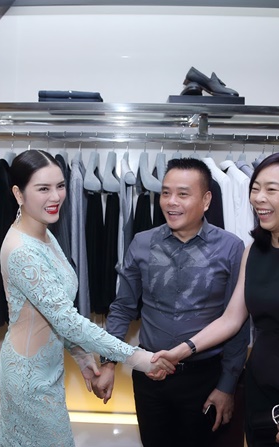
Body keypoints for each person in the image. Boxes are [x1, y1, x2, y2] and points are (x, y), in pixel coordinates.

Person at [153, 152, 279, 447]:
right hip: (262, 384)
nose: (259, 198)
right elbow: (231, 319)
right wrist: (180, 352)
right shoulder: (253, 251)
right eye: (256, 188)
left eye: (271, 189)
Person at [0, 149, 174, 447]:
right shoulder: (23, 251)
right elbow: (67, 320)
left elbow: (55, 312)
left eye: (60, 186)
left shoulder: (44, 234)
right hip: (27, 376)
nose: (56, 197)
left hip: (46, 368)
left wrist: (81, 358)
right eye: (43, 189)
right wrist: (139, 358)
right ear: (18, 194)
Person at [92, 157, 249, 447]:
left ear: (206, 200)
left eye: (183, 194)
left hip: (206, 377)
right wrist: (108, 363)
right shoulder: (142, 243)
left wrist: (227, 386)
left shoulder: (231, 248)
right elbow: (123, 307)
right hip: (151, 374)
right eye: (166, 193)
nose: (171, 202)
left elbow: (238, 322)